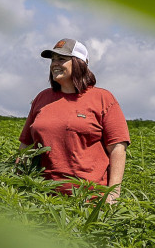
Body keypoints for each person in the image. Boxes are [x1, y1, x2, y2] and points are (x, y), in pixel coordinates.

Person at [19, 38, 130, 202]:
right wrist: (18, 182)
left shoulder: (102, 98)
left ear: (79, 63)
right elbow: (25, 146)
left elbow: (117, 148)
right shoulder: (42, 98)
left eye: (61, 59)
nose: (54, 64)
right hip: (43, 198)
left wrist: (113, 194)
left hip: (89, 200)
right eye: (53, 60)